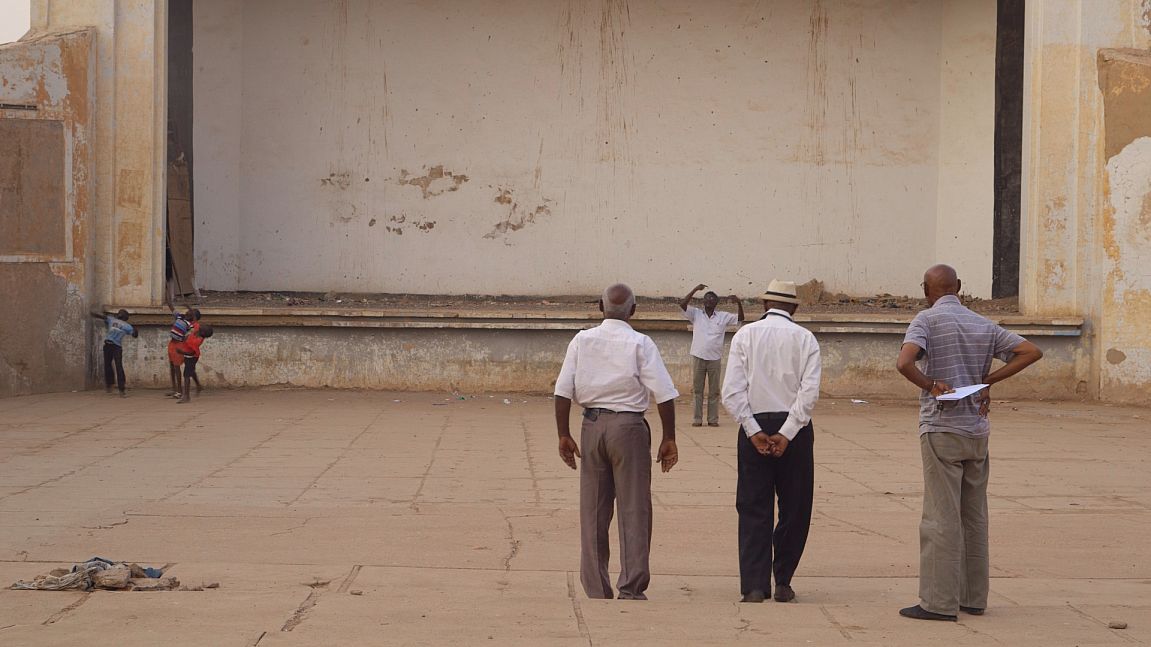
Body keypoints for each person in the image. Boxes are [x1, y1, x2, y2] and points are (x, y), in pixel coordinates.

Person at [895, 264, 1042, 621]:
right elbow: (1030, 351)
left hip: (942, 428)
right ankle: (973, 597)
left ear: (926, 290)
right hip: (976, 431)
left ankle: (938, 603)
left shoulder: (926, 320)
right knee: (974, 517)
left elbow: (904, 363)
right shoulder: (983, 324)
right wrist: (988, 380)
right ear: (959, 287)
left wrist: (931, 385)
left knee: (940, 517)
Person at [554, 283, 680, 600]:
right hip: (629, 428)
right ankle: (631, 586)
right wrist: (669, 437)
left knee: (593, 511)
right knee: (634, 509)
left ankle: (597, 588)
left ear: (600, 307)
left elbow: (562, 391)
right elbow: (664, 393)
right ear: (633, 310)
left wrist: (563, 434)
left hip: (591, 426)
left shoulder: (582, 340)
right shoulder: (641, 343)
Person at [721, 279, 821, 604]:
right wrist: (787, 432)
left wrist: (752, 430)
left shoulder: (745, 335)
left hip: (755, 424)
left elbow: (732, 392)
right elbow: (808, 393)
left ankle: (754, 585)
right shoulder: (805, 338)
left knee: (753, 506)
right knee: (795, 507)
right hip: (794, 429)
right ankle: (783, 580)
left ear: (765, 305)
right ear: (794, 308)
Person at [680, 284, 744, 427]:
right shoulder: (696, 314)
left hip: (715, 358)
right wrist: (694, 290)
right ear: (703, 301)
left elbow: (740, 318)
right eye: (707, 298)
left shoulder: (723, 316)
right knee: (698, 390)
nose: (709, 300)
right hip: (698, 356)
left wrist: (739, 302)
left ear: (716, 303)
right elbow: (682, 305)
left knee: (714, 391)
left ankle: (713, 419)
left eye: (712, 299)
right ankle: (697, 419)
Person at [91, 309, 139, 397]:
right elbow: (135, 335)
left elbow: (102, 317)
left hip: (110, 345)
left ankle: (112, 386)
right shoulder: (127, 326)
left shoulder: (112, 319)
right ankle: (120, 389)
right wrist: (135, 330)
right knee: (117, 366)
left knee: (109, 366)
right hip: (116, 347)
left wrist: (93, 313)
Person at [175, 324, 213, 404]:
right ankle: (198, 386)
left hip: (191, 357)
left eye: (203, 327)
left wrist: (181, 352)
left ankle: (186, 396)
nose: (201, 326)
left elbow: (192, 353)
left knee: (186, 375)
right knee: (191, 371)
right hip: (188, 355)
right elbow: (192, 327)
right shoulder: (197, 331)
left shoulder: (197, 341)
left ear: (203, 333)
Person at [167, 306, 200, 398]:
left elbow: (191, 336)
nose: (186, 313)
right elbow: (172, 308)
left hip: (182, 346)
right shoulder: (181, 318)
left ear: (194, 317)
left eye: (190, 312)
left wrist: (183, 341)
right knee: (176, 367)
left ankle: (180, 391)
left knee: (181, 368)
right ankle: (176, 389)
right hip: (174, 344)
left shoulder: (192, 325)